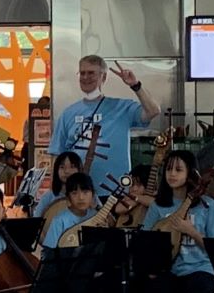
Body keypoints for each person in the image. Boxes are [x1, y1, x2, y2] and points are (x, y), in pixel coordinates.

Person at [145, 150, 214, 293]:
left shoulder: (208, 206)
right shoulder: (158, 206)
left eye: (178, 169)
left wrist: (192, 232)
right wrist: (151, 267)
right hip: (170, 269)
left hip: (201, 267)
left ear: (191, 174)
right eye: (168, 169)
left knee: (198, 288)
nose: (172, 174)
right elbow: (147, 241)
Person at [49, 56, 160, 194]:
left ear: (104, 77)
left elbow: (153, 111)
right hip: (78, 194)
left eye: (91, 73)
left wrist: (135, 85)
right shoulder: (68, 113)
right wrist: (55, 192)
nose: (86, 77)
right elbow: (56, 154)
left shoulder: (121, 108)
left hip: (115, 192)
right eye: (82, 73)